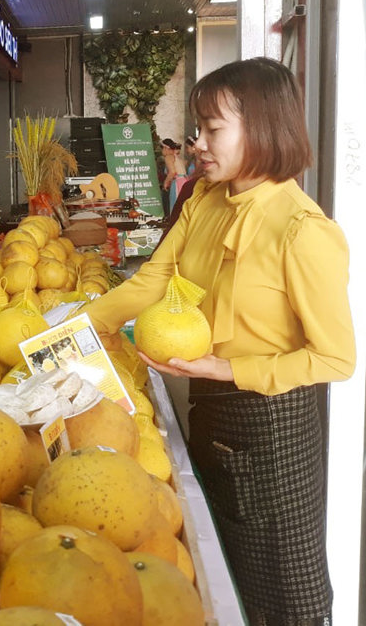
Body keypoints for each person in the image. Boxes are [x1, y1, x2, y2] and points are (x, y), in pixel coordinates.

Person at [87, 57, 354, 625]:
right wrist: (78, 327)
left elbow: (335, 357)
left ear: (263, 126)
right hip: (208, 409)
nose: (198, 143)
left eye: (214, 129)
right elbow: (154, 279)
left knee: (287, 586)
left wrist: (229, 370)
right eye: (199, 128)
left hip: (272, 423)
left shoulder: (302, 230)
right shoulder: (207, 201)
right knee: (225, 569)